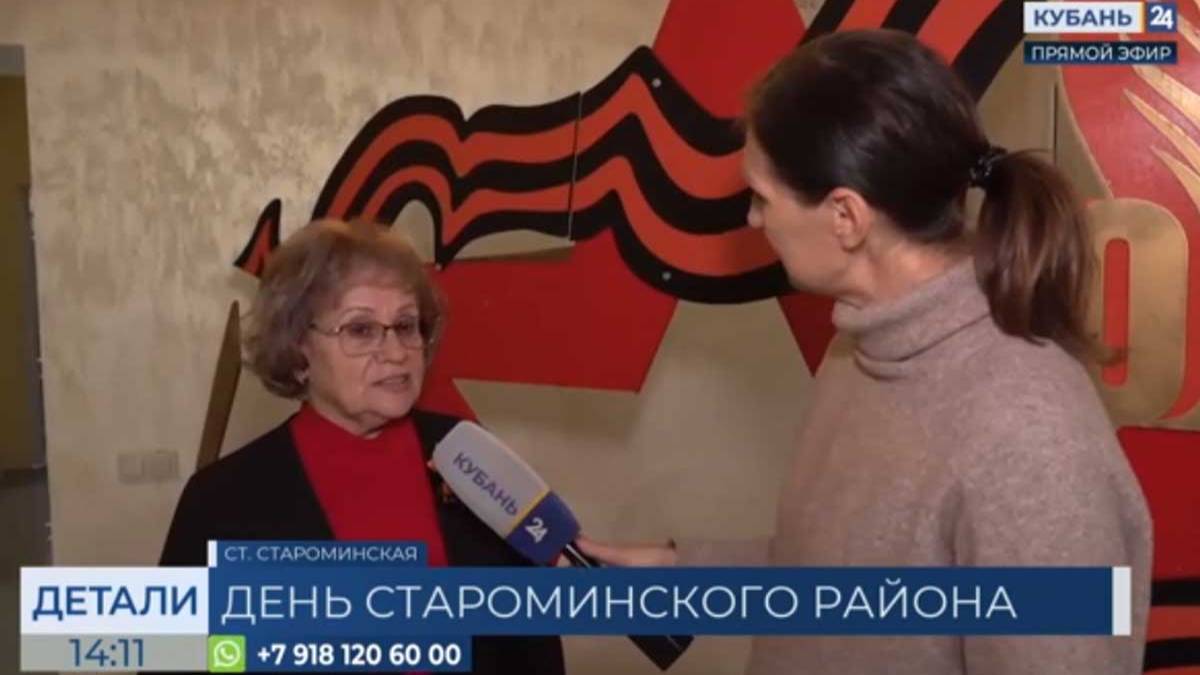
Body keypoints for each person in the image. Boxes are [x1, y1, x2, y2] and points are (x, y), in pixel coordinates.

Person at [578, 29, 1152, 675]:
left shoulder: (1029, 439)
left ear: (845, 217)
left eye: (762, 197)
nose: (753, 220)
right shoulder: (858, 348)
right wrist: (685, 574)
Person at [160, 219, 564, 675]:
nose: (395, 352)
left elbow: (532, 639)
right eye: (360, 330)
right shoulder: (222, 500)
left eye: (406, 325)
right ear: (299, 350)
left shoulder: (466, 452)